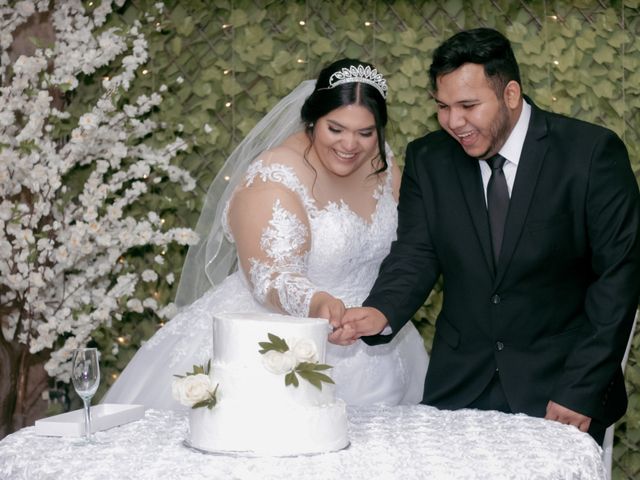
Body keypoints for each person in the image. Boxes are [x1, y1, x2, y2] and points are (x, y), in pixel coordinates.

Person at [338, 28, 640, 444]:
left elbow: (618, 279)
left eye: (468, 105)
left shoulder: (590, 154)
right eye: (443, 107)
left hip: (560, 390)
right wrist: (380, 312)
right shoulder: (430, 159)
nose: (453, 122)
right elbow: (416, 253)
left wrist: (580, 390)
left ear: (511, 94)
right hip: (458, 384)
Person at [103, 58, 428, 409]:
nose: (351, 144)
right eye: (336, 129)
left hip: (376, 344)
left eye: (366, 132)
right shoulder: (276, 174)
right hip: (277, 343)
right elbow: (269, 275)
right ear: (312, 119)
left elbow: (410, 245)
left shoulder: (381, 162)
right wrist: (316, 303)